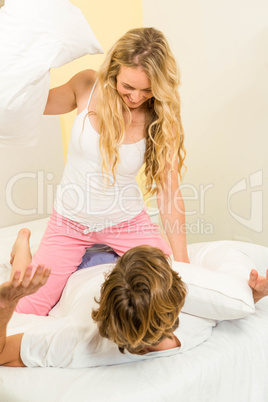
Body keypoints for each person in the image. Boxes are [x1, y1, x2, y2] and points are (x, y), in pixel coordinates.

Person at [14, 27, 189, 316]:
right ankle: (21, 247)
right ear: (113, 71)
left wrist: (183, 264)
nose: (136, 97)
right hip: (70, 222)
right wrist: (37, 59)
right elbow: (30, 105)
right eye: (128, 87)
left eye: (147, 90)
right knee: (25, 310)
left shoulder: (159, 116)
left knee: (166, 295)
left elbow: (169, 193)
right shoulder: (86, 85)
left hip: (127, 221)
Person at [0, 230, 268, 368]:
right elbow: (232, 304)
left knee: (25, 294)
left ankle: (22, 242)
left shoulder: (77, 339)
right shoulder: (196, 324)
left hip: (82, 268)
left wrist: (7, 304)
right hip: (122, 264)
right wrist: (253, 294)